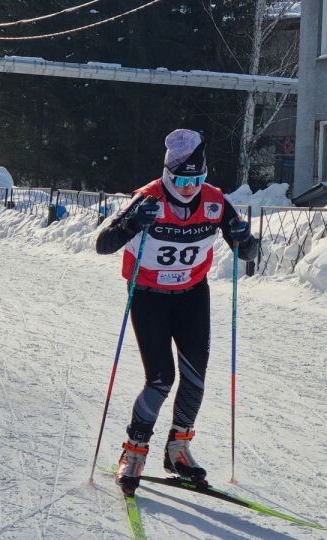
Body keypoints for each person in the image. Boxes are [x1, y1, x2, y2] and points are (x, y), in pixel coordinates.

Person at [95, 129, 259, 497]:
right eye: (182, 180)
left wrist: (244, 238)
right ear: (168, 174)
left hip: (192, 296)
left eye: (197, 180)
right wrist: (133, 223)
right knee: (160, 378)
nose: (189, 187)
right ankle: (134, 452)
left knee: (195, 377)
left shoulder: (215, 201)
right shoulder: (147, 197)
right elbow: (103, 245)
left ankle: (178, 450)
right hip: (149, 296)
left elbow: (248, 255)